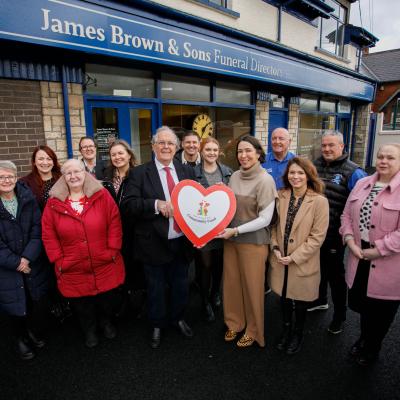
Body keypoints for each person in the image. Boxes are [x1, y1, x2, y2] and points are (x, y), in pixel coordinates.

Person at [121, 126, 195, 349]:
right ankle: (156, 324)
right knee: (155, 288)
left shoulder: (187, 172)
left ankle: (178, 318)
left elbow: (194, 204)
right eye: (161, 143)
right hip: (152, 243)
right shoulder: (139, 173)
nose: (165, 147)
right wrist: (156, 205)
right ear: (153, 146)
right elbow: (128, 205)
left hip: (181, 242)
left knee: (181, 285)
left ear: (177, 147)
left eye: (170, 143)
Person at [41, 159, 125, 348]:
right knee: (82, 303)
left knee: (106, 298)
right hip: (72, 264)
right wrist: (58, 260)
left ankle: (106, 322)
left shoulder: (101, 195)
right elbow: (48, 233)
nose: (73, 176)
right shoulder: (54, 203)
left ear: (85, 172)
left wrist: (112, 249)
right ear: (63, 177)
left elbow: (114, 221)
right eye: (68, 173)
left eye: (77, 171)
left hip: (104, 259)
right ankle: (89, 330)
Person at [340, 143, 400, 366]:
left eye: (391, 158)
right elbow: (346, 216)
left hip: (388, 263)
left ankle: (372, 348)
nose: (383, 161)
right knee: (364, 306)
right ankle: (364, 338)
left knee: (381, 313)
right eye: (380, 156)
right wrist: (348, 240)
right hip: (359, 255)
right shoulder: (363, 183)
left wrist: (378, 250)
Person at [217, 135, 277, 348]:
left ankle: (253, 329)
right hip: (231, 240)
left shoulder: (265, 180)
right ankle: (234, 322)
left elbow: (265, 219)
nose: (243, 155)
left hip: (253, 242)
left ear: (259, 153)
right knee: (232, 284)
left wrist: (235, 231)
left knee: (252, 287)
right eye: (240, 152)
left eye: (248, 151)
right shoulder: (233, 176)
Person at [269, 157, 329, 354]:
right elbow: (273, 226)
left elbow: (317, 237)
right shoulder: (281, 195)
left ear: (308, 175)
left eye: (300, 173)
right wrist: (275, 247)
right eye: (292, 173)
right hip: (280, 258)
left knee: (301, 302)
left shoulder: (319, 201)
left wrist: (294, 257)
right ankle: (286, 330)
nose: (295, 177)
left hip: (302, 261)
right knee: (284, 298)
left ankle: (297, 333)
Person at [311, 131, 367, 335]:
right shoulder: (314, 166)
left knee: (335, 275)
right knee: (319, 269)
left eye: (331, 145)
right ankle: (320, 301)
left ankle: (340, 316)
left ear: (342, 147)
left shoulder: (354, 172)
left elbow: (361, 206)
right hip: (315, 233)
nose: (326, 149)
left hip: (336, 234)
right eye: (324, 145)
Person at [0, 160, 49, 360]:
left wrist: (27, 258)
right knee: (14, 304)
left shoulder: (27, 197)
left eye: (10, 176)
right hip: (7, 267)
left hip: (30, 262)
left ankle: (29, 331)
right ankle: (19, 338)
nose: (6, 180)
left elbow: (38, 230)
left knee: (30, 300)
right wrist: (17, 263)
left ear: (16, 177)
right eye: (1, 177)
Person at [102, 140, 145, 318]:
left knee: (139, 267)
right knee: (121, 266)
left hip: (136, 229)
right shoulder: (106, 177)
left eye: (121, 153)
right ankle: (125, 302)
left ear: (129, 155)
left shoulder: (140, 175)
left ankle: (141, 304)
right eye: (114, 155)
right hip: (115, 230)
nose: (117, 157)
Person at [193, 137, 233, 322]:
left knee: (218, 266)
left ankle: (215, 292)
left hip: (222, 229)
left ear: (219, 152)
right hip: (201, 229)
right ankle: (204, 301)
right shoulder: (192, 173)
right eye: (208, 149)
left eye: (215, 150)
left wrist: (227, 190)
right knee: (205, 266)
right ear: (201, 151)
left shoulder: (227, 173)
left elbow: (233, 201)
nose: (211, 153)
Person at [19, 145, 62, 211]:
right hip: (38, 220)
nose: (45, 162)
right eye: (41, 159)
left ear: (53, 162)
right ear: (34, 162)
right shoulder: (24, 183)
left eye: (49, 159)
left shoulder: (62, 179)